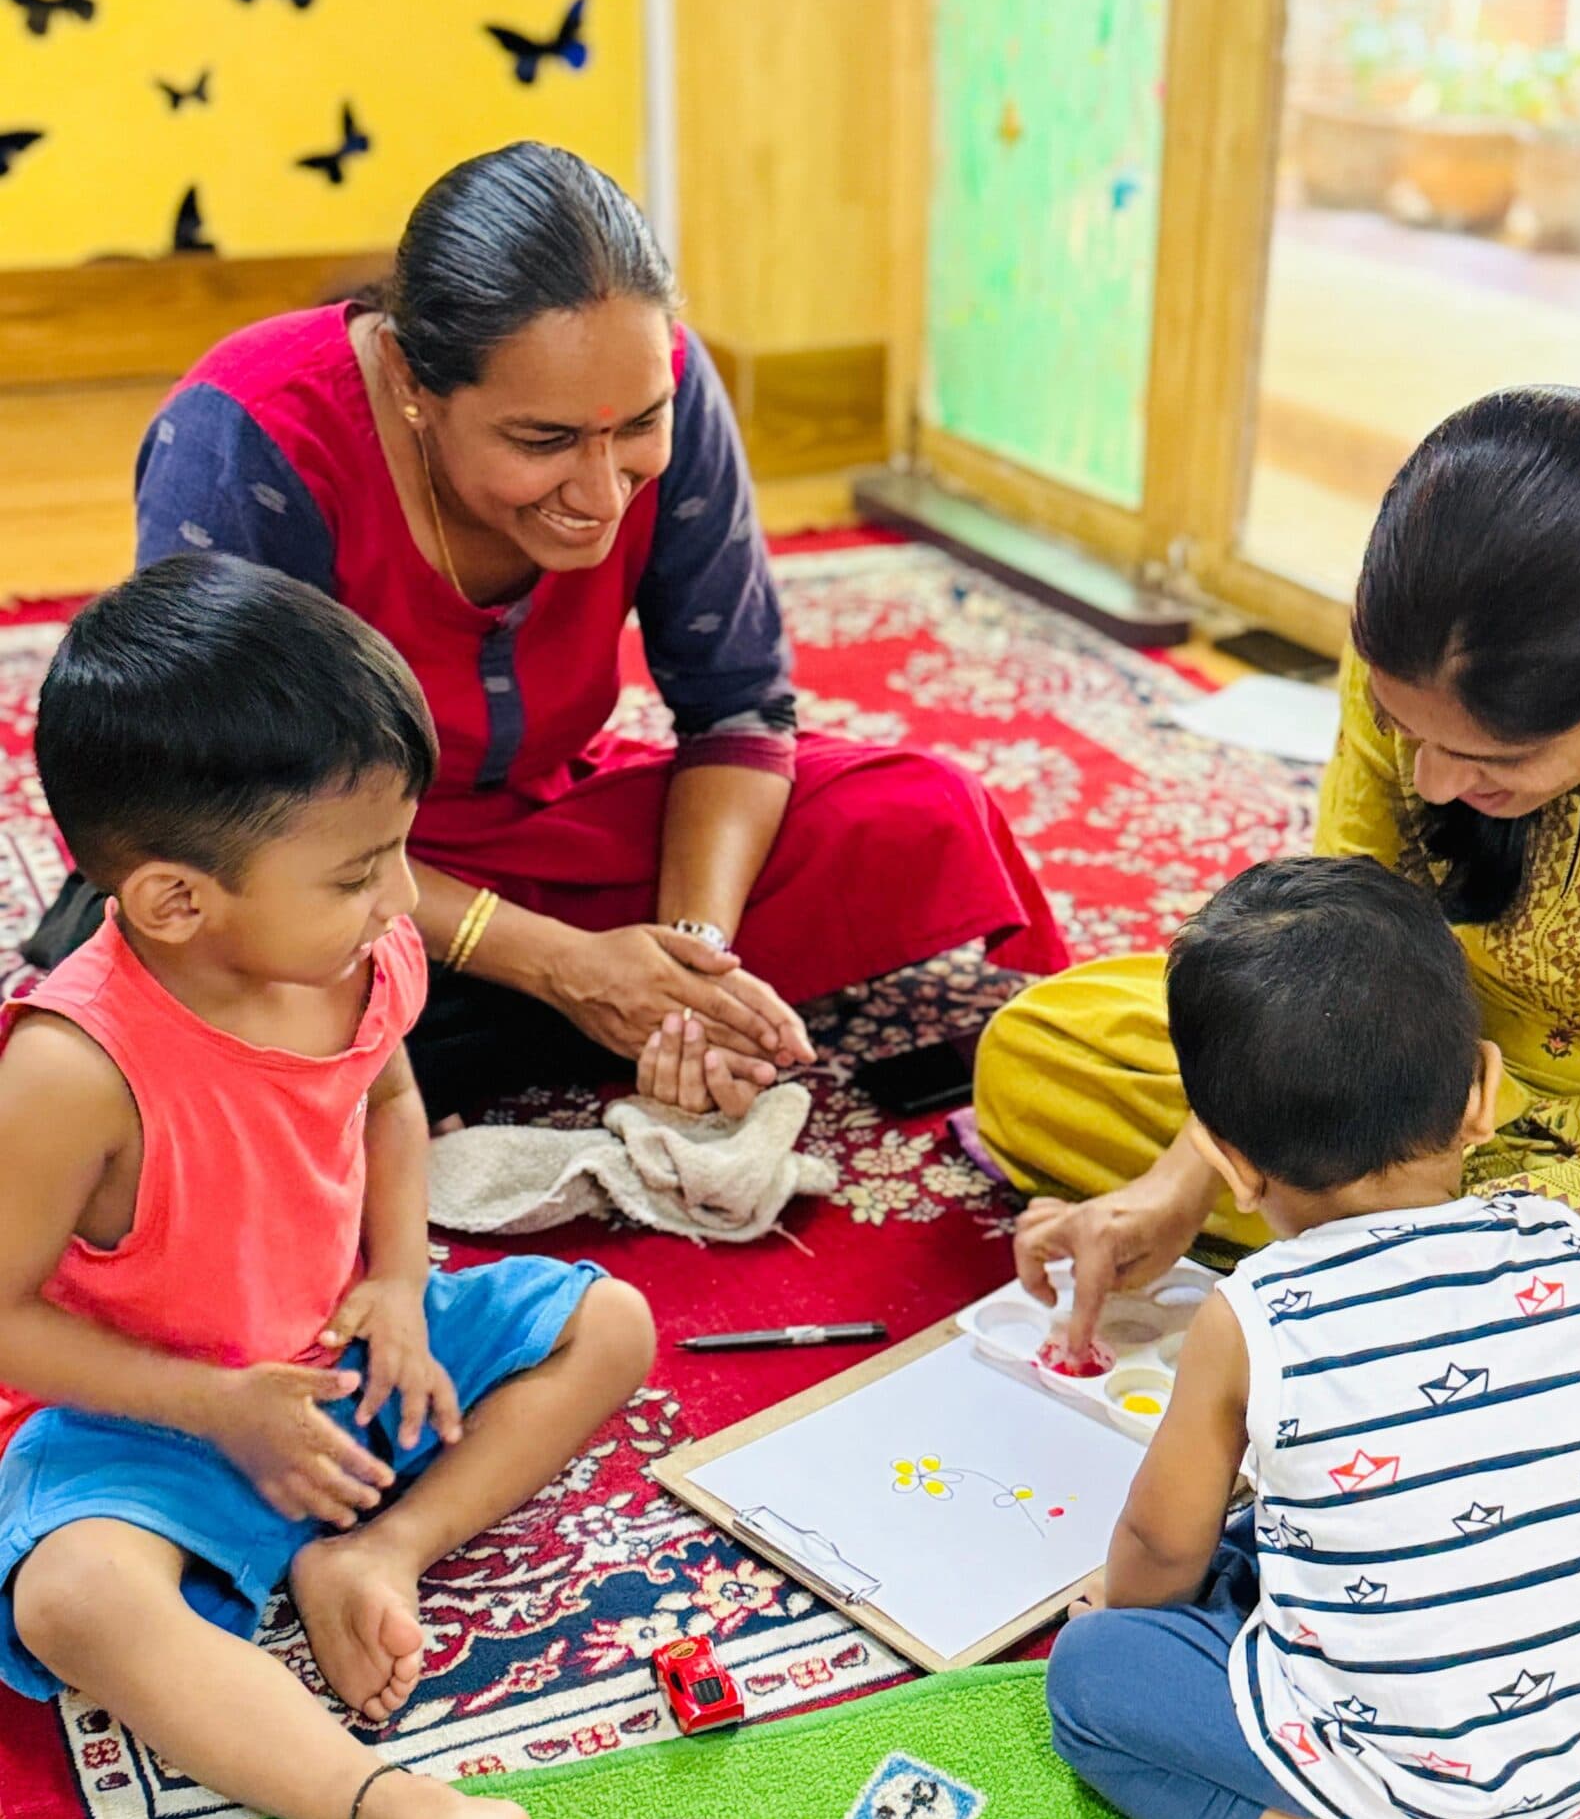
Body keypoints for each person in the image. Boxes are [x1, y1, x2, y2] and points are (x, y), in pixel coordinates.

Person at [981, 386, 1580, 1534]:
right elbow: (1338, 949)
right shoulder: (1420, 622)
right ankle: (1459, 1332)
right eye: (1404, 727)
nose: (1425, 780)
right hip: (1410, 1067)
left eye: (1488, 756)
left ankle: (1352, 1264)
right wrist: (1177, 1188)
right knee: (1041, 1052)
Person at [28, 140, 1065, 1123]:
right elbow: (227, 810)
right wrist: (563, 963)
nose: (602, 489)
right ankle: (514, 1025)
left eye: (638, 429)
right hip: (325, 872)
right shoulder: (248, 437)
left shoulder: (669, 380)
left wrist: (688, 957)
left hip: (550, 823)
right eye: (544, 440)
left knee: (918, 815)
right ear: (409, 381)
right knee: (213, 976)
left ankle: (536, 1031)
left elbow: (739, 708)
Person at [0, 559, 657, 1819]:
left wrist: (406, 1286)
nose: (395, 902)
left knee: (610, 1323)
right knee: (74, 1599)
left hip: (337, 1364)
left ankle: (373, 1553)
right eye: (358, 872)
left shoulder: (364, 955)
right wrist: (216, 1406)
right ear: (174, 897)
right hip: (151, 1418)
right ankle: (407, 1814)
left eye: (399, 857)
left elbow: (390, 1103)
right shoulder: (70, 1069)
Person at [1047, 856, 1580, 1819]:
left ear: (1227, 1158)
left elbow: (1156, 1542)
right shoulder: (1579, 1241)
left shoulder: (1250, 1314)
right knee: (1288, 1527)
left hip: (1428, 1788)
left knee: (1093, 1681)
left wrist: (1122, 1610)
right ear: (1483, 1092)